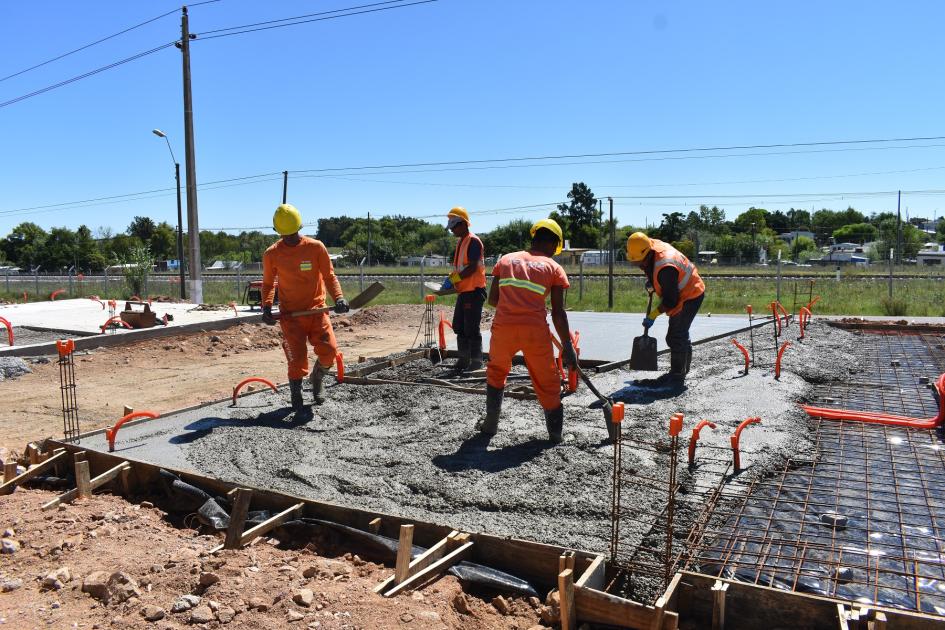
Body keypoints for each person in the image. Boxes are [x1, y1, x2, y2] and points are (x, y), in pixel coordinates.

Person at [478, 218, 577, 443]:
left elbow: (493, 299)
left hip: (503, 329)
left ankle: (490, 425)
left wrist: (514, 305)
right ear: (553, 243)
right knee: (547, 381)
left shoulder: (505, 260)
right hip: (535, 332)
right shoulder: (554, 268)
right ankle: (555, 435)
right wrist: (568, 346)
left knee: (496, 372)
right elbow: (558, 313)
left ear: (535, 238)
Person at [261, 204, 349, 411]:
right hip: (291, 317)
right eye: (287, 235)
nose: (290, 238)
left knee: (329, 352)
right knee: (297, 360)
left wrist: (339, 298)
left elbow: (329, 276)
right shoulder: (272, 254)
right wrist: (266, 307)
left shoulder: (316, 248)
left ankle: (317, 379)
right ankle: (296, 395)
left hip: (317, 311)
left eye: (292, 234)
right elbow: (267, 284)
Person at [625, 232, 705, 387]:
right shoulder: (650, 246)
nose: (639, 266)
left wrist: (653, 315)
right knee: (680, 334)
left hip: (690, 294)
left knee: (675, 337)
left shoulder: (666, 268)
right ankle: (681, 370)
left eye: (640, 263)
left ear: (646, 253)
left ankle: (676, 377)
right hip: (681, 290)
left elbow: (671, 300)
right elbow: (651, 266)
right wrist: (652, 281)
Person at [445, 207, 487, 371]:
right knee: (459, 326)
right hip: (464, 291)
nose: (452, 231)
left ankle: (476, 362)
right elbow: (461, 267)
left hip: (474, 291)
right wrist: (452, 277)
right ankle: (463, 360)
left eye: (454, 227)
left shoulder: (473, 241)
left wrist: (455, 278)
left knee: (471, 328)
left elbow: (472, 268)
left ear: (463, 224)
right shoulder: (461, 241)